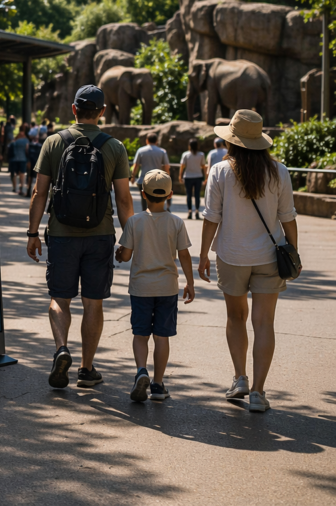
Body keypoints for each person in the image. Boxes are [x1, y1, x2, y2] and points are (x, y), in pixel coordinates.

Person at [27, 85, 134, 389]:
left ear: (73, 109)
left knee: (60, 299)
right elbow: (124, 200)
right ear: (101, 112)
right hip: (100, 236)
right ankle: (87, 370)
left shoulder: (53, 142)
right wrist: (129, 240)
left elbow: (40, 192)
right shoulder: (114, 147)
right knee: (93, 303)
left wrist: (32, 233)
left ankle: (62, 348)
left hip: (61, 234)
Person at [199, 110, 298, 413]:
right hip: (270, 256)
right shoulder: (278, 170)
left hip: (231, 255)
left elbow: (211, 217)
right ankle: (258, 392)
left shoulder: (220, 171)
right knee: (264, 322)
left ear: (231, 141)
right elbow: (288, 217)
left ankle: (240, 378)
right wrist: (294, 250)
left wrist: (203, 254)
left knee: (235, 318)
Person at [116, 170, 203, 402]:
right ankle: (157, 384)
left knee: (140, 333)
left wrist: (119, 254)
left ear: (143, 194)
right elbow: (184, 255)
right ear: (170, 195)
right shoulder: (176, 222)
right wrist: (190, 283)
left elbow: (125, 255)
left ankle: (141, 370)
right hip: (167, 288)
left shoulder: (134, 222)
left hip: (141, 288)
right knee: (162, 336)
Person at [132, 134, 171, 212]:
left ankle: (145, 213)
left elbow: (136, 165)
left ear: (147, 140)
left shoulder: (141, 150)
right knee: (157, 198)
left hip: (143, 179)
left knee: (144, 198)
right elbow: (166, 166)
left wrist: (133, 176)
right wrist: (168, 178)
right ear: (157, 141)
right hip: (158, 180)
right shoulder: (162, 151)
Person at [179, 138, 208, 219]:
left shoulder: (185, 154)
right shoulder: (201, 155)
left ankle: (189, 211)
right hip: (198, 177)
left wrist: (180, 176)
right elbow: (203, 167)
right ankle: (197, 211)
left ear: (189, 146)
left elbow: (182, 166)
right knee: (197, 195)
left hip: (188, 176)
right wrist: (206, 177)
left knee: (189, 195)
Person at [8, 128, 29, 194]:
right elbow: (27, 149)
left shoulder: (15, 139)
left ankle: (14, 187)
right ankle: (21, 188)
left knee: (14, 174)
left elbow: (9, 146)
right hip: (23, 159)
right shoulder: (26, 140)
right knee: (22, 173)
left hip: (14, 159)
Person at [25, 131, 42, 197]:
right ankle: (31, 192)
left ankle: (29, 191)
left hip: (32, 162)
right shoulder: (40, 145)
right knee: (34, 178)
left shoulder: (29, 144)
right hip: (35, 162)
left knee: (30, 177)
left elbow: (27, 153)